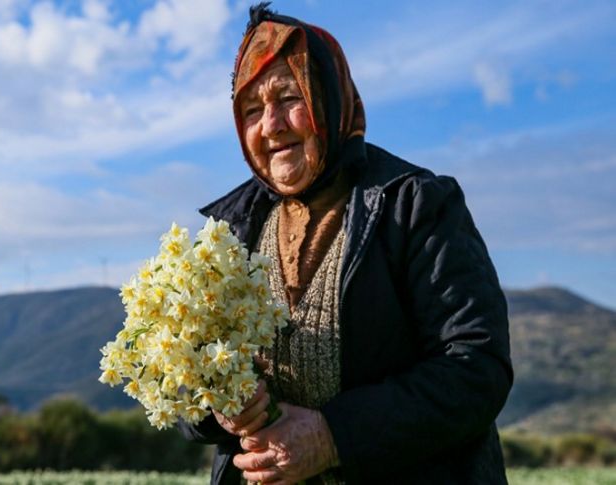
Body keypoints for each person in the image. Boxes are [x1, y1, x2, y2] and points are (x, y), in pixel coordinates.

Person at [179, 4, 512, 484]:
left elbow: (476, 369)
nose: (270, 125)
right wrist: (220, 407)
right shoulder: (231, 231)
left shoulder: (415, 206)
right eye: (252, 109)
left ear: (332, 99)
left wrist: (331, 437)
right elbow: (190, 394)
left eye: (289, 97)